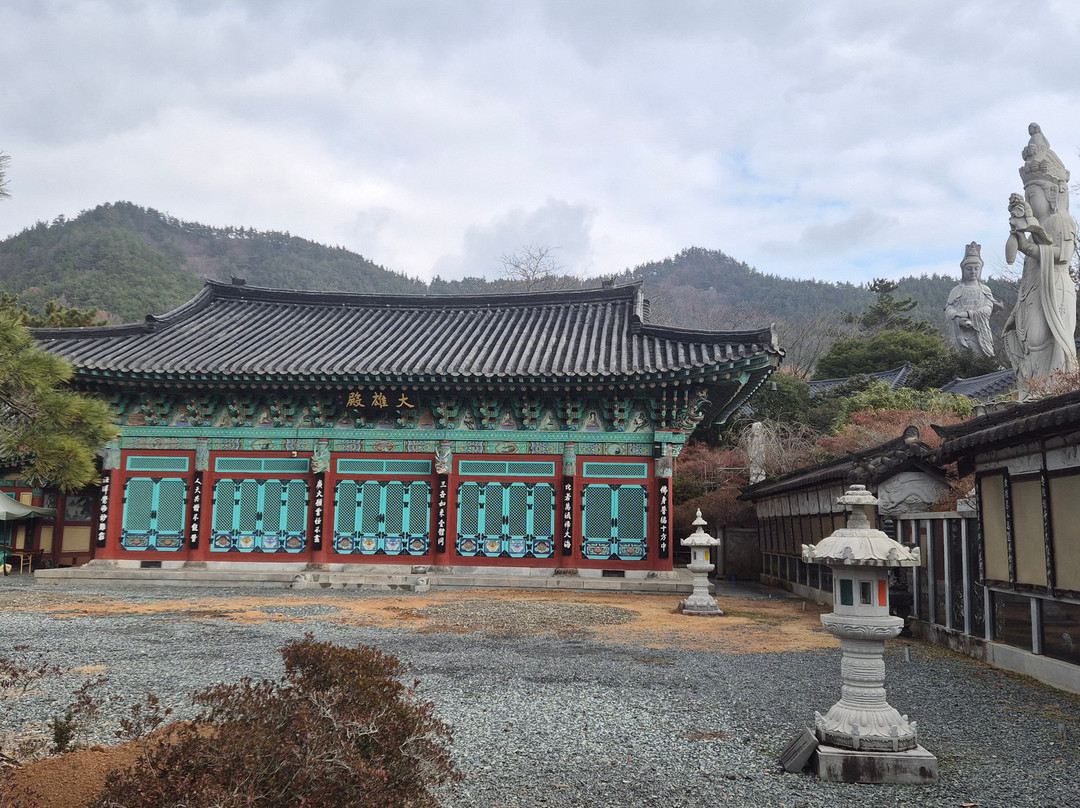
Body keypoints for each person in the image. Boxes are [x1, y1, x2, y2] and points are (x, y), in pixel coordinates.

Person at [1003, 124, 1078, 399]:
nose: (1029, 202)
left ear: (1051, 194)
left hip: (1054, 287)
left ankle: (1053, 390)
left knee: (1045, 339)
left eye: (1031, 196)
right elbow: (1012, 259)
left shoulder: (1061, 219)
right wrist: (1020, 238)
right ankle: (1031, 391)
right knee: (1025, 339)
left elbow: (1062, 256)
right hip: (1034, 285)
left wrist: (1030, 245)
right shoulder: (1039, 223)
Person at [944, 242, 1000, 357]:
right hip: (961, 331)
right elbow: (949, 308)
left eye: (976, 268)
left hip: (980, 331)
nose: (973, 271)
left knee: (982, 358)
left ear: (980, 270)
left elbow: (987, 309)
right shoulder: (956, 290)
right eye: (969, 268)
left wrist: (967, 314)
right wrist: (957, 318)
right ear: (963, 271)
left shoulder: (985, 289)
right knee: (962, 358)